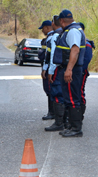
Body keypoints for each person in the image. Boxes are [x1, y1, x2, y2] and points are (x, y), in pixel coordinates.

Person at [49, 9, 86, 137]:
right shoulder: (71, 30)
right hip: (68, 68)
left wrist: (69, 69)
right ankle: (71, 126)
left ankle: (76, 129)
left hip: (71, 70)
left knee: (72, 98)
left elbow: (75, 51)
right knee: (69, 98)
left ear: (61, 21)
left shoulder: (72, 32)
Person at [43, 15, 66, 131]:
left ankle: (59, 123)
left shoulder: (55, 36)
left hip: (57, 69)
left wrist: (50, 71)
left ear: (53, 23)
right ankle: (65, 121)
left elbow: (52, 55)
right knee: (65, 93)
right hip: (65, 68)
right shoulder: (65, 33)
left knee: (57, 94)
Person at [37, 20, 54, 120]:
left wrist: (45, 69)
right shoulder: (49, 38)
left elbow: (45, 56)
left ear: (47, 27)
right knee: (49, 90)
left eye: (43, 28)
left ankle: (52, 113)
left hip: (48, 69)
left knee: (50, 90)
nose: (42, 31)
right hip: (48, 67)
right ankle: (52, 112)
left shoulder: (50, 39)